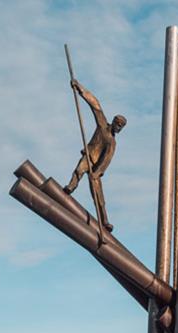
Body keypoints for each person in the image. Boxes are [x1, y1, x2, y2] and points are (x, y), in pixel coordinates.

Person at [64, 79, 126, 231]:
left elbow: (106, 160)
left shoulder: (112, 143)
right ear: (113, 122)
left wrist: (97, 173)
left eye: (121, 127)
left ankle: (104, 221)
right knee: (79, 170)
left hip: (96, 169)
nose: (119, 128)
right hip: (89, 157)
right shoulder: (102, 125)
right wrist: (80, 89)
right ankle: (71, 187)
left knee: (98, 196)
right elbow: (95, 105)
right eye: (118, 125)